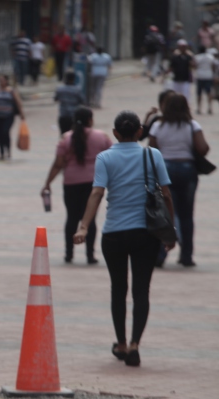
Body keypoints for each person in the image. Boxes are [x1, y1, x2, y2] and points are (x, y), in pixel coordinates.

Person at [74, 111, 174, 367]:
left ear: (116, 133)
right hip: (147, 233)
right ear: (140, 131)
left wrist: (84, 226)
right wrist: (170, 231)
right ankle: (134, 344)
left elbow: (97, 193)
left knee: (118, 289)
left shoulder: (105, 157)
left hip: (114, 234)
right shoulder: (153, 155)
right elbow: (166, 195)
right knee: (142, 290)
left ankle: (119, 342)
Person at [42, 106, 112, 264]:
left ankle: (69, 254)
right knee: (90, 219)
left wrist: (47, 183)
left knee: (72, 218)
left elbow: (58, 164)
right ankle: (90, 255)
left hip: (71, 182)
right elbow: (113, 157)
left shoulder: (66, 139)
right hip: (93, 183)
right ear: (90, 120)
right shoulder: (101, 137)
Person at [148, 94, 210, 267]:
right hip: (187, 170)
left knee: (164, 214)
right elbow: (203, 148)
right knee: (186, 214)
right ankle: (186, 256)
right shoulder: (192, 125)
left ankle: (160, 255)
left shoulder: (158, 126)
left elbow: (152, 148)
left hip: (164, 171)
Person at [54, 71, 86, 135]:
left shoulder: (60, 89)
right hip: (74, 116)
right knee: (74, 135)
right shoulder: (77, 90)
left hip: (63, 115)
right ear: (74, 78)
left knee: (63, 135)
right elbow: (83, 101)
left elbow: (55, 99)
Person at [193, 46, 217, 114]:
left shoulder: (197, 57)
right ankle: (210, 108)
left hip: (200, 76)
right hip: (208, 76)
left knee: (199, 93)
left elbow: (195, 66)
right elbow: (213, 66)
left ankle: (199, 108)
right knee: (208, 92)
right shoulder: (210, 57)